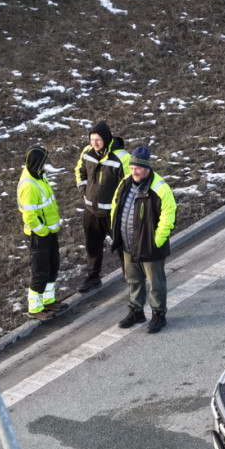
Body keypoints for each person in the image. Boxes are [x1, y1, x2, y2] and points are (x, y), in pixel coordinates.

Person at [109, 146, 177, 334]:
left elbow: (169, 215)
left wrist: (157, 240)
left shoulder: (160, 187)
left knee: (156, 282)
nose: (134, 172)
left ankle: (158, 315)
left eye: (137, 168)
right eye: (131, 168)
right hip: (128, 244)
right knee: (133, 279)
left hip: (149, 246)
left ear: (147, 167)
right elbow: (116, 206)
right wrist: (117, 231)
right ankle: (136, 311)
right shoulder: (125, 182)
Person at [74, 120, 131, 293]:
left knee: (124, 248)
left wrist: (120, 206)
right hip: (91, 211)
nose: (94, 143)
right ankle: (93, 278)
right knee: (92, 246)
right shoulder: (87, 152)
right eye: (91, 140)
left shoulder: (122, 158)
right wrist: (83, 191)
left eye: (97, 140)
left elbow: (129, 184)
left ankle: (132, 280)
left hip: (112, 214)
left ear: (106, 138)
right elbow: (79, 171)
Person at [17, 146, 66, 321]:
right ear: (36, 164)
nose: (46, 165)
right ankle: (35, 308)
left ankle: (48, 300)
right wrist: (43, 231)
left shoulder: (39, 176)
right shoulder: (29, 186)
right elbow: (29, 217)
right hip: (40, 236)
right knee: (40, 271)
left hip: (49, 233)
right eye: (43, 162)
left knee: (53, 266)